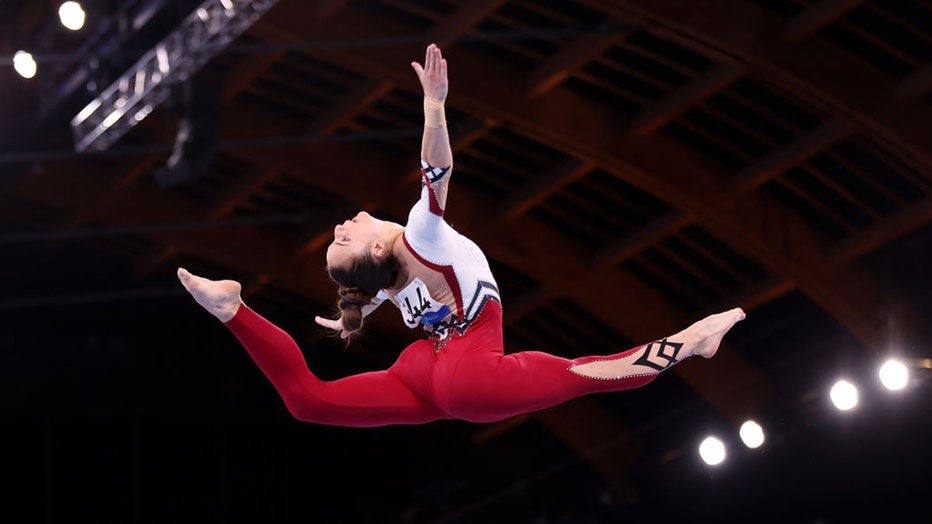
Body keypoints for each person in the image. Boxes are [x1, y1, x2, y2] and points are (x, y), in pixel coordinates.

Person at [177, 44, 745, 428]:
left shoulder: (388, 274)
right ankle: (691, 339)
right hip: (469, 371)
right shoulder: (420, 234)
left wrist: (361, 307)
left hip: (426, 372)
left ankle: (233, 311)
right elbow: (436, 171)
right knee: (591, 373)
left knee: (308, 401)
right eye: (343, 238)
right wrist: (433, 107)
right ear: (376, 247)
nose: (340, 225)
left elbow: (381, 287)